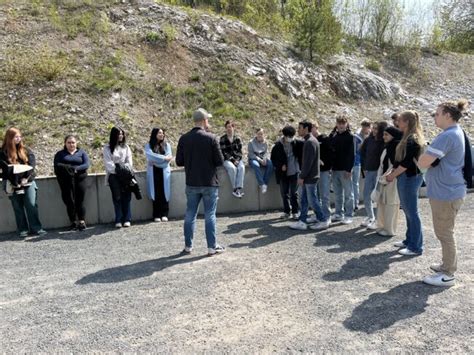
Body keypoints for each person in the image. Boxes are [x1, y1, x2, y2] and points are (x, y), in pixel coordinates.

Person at [417, 100, 468, 287]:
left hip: (446, 193)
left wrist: (424, 158)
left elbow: (423, 162)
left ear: (448, 115)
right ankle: (446, 265)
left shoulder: (447, 136)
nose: (434, 117)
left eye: (437, 114)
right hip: (449, 191)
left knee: (445, 233)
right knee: (445, 232)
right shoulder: (456, 132)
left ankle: (448, 274)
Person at [176, 108, 225, 256]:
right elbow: (220, 161)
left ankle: (188, 246)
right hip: (209, 182)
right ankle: (211, 247)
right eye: (207, 119)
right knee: (210, 214)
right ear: (204, 121)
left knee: (190, 214)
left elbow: (179, 161)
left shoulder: (184, 138)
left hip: (191, 182)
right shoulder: (212, 138)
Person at [386, 110, 425, 256]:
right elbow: (400, 160)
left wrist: (393, 175)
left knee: (412, 212)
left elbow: (407, 163)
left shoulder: (412, 139)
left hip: (410, 177)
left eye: (400, 120)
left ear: (407, 122)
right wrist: (393, 172)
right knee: (409, 211)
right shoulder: (407, 136)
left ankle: (416, 246)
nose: (398, 122)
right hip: (407, 177)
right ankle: (409, 241)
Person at [0, 127, 46, 238]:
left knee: (31, 204)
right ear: (10, 138)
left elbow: (32, 166)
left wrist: (25, 179)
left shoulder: (26, 150)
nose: (19, 139)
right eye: (16, 137)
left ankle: (36, 228)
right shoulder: (2, 153)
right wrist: (13, 180)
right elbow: (4, 170)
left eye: (20, 136)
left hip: (28, 182)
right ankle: (22, 229)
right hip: (12, 184)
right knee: (17, 206)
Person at [290, 121, 329, 231]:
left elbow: (308, 162)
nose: (298, 130)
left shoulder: (310, 142)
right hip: (310, 176)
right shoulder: (310, 141)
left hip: (310, 177)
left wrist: (302, 176)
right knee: (305, 200)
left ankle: (322, 220)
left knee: (312, 200)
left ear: (306, 128)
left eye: (300, 128)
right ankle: (302, 221)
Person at [53, 135, 90, 231]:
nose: (71, 144)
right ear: (65, 143)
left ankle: (82, 221)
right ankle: (73, 222)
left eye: (73, 142)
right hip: (66, 180)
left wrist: (75, 169)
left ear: (76, 143)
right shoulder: (60, 154)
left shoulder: (81, 153)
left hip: (80, 179)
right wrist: (69, 168)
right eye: (69, 142)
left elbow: (86, 164)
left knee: (80, 200)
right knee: (69, 201)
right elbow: (57, 165)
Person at [103, 126, 133, 228]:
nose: (120, 136)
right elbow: (108, 164)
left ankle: (127, 219)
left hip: (126, 175)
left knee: (127, 197)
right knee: (117, 197)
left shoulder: (126, 147)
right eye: (118, 134)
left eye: (122, 134)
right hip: (114, 176)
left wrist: (124, 169)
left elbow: (129, 162)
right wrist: (119, 170)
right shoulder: (107, 148)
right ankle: (118, 219)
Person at [271, 125, 303, 220]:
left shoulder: (297, 143)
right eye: (289, 136)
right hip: (283, 173)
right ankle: (286, 212)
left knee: (294, 193)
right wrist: (281, 165)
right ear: (284, 136)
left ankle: (295, 211)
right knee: (284, 193)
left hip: (295, 172)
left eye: (292, 136)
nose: (291, 138)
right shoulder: (277, 146)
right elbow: (273, 159)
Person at [375, 126, 403, 237]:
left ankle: (389, 229)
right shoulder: (388, 147)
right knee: (382, 203)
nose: (384, 137)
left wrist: (387, 176)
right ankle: (382, 226)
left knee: (391, 204)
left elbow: (394, 165)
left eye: (387, 135)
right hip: (384, 178)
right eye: (384, 134)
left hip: (392, 179)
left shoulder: (396, 147)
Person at [360, 121, 387, 229]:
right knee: (367, 194)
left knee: (377, 196)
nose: (374, 131)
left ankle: (377, 219)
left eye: (376, 129)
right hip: (369, 171)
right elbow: (362, 152)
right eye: (373, 128)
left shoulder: (383, 141)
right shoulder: (369, 140)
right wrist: (364, 167)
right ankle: (370, 216)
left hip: (379, 172)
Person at [329, 115, 355, 224]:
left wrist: (348, 169)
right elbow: (329, 144)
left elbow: (351, 154)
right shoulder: (334, 136)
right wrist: (332, 132)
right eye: (339, 123)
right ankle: (338, 213)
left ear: (346, 124)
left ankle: (349, 215)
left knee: (348, 194)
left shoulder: (350, 136)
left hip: (345, 170)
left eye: (342, 123)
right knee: (338, 193)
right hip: (335, 169)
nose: (340, 125)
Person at [145, 128, 172, 223]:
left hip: (164, 171)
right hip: (154, 172)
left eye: (162, 133)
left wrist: (158, 161)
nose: (161, 134)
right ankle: (156, 214)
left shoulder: (167, 145)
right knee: (155, 192)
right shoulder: (148, 146)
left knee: (165, 192)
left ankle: (164, 214)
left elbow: (168, 160)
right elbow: (150, 156)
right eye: (159, 133)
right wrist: (164, 159)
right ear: (154, 134)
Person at [312, 121, 332, 222]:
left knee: (324, 195)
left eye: (313, 127)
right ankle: (318, 215)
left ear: (317, 127)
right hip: (314, 172)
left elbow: (330, 154)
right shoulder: (310, 140)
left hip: (324, 171)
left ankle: (327, 216)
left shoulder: (324, 138)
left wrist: (326, 165)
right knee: (316, 195)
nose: (311, 130)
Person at [220, 120, 245, 198]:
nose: (229, 128)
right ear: (225, 128)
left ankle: (238, 189)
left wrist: (237, 159)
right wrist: (233, 160)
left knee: (241, 167)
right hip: (227, 160)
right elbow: (224, 152)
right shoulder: (222, 139)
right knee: (232, 168)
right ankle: (235, 189)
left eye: (230, 127)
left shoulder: (237, 138)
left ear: (233, 128)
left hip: (237, 159)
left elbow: (240, 152)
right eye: (227, 127)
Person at [353, 119, 372, 211]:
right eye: (364, 126)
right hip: (359, 162)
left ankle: (369, 201)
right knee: (355, 183)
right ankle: (355, 203)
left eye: (367, 126)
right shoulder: (357, 136)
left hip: (367, 161)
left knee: (368, 182)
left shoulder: (372, 135)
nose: (366, 128)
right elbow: (357, 149)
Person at [248, 128, 273, 194]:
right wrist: (259, 160)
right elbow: (251, 154)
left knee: (270, 164)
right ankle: (261, 184)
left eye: (261, 134)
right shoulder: (251, 142)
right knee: (256, 165)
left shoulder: (265, 142)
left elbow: (266, 152)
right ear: (256, 134)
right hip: (254, 159)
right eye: (258, 134)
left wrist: (264, 159)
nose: (260, 135)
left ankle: (264, 183)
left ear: (263, 134)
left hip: (262, 158)